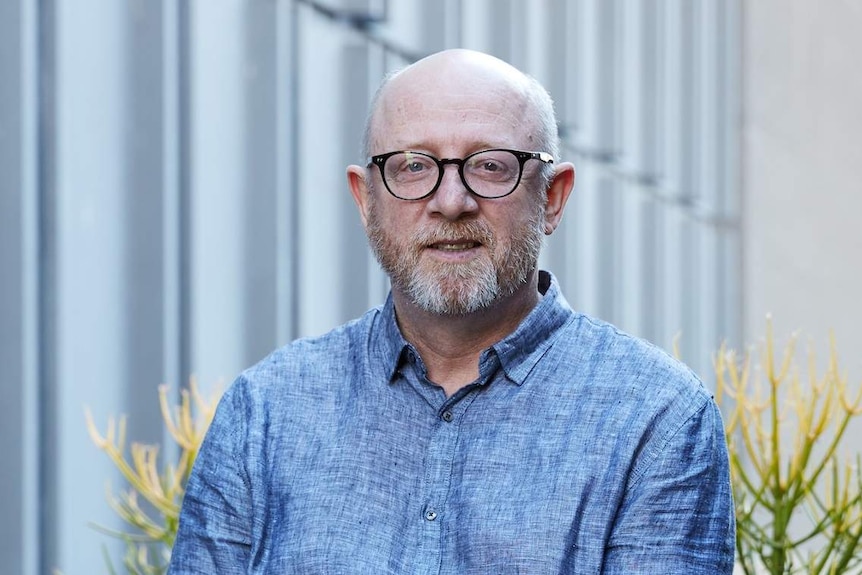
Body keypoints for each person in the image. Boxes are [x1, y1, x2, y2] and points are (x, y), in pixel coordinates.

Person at [169, 48, 735, 574]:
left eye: (490, 166)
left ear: (553, 198)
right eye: (413, 165)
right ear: (365, 200)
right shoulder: (264, 413)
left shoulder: (658, 423)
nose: (451, 201)